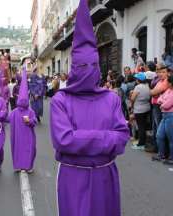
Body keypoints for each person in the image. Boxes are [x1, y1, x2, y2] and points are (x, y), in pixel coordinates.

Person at [50, 1, 130, 215]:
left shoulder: (110, 99)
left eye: (93, 66)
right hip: (73, 177)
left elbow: (122, 137)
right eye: (82, 66)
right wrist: (105, 138)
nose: (88, 71)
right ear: (73, 68)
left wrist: (82, 138)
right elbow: (63, 140)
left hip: (105, 176)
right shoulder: (61, 100)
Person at [9, 66, 36, 173]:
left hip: (28, 136)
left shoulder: (30, 111)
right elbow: (8, 119)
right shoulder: (15, 112)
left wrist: (29, 121)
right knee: (20, 149)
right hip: (18, 136)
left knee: (29, 149)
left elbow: (34, 121)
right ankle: (19, 165)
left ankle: (28, 166)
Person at [149, 63, 170, 153]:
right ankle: (157, 148)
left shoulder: (166, 81)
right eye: (159, 71)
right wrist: (153, 92)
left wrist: (153, 92)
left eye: (163, 72)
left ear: (167, 73)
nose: (160, 73)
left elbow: (153, 92)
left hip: (159, 107)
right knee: (155, 127)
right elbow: (152, 92)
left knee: (159, 128)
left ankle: (162, 150)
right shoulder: (159, 81)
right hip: (155, 106)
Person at [153, 75, 173, 164]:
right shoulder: (168, 91)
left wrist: (162, 103)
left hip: (171, 116)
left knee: (171, 138)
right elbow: (159, 99)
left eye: (168, 82)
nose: (166, 83)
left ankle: (171, 158)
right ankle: (161, 154)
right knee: (159, 135)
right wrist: (162, 102)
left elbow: (167, 105)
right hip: (165, 115)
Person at [130, 73, 151, 150]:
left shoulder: (137, 87)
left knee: (140, 127)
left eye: (136, 79)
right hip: (147, 107)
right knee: (144, 126)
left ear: (138, 80)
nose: (135, 80)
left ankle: (141, 144)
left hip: (139, 109)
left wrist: (131, 106)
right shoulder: (147, 86)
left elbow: (132, 98)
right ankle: (143, 142)